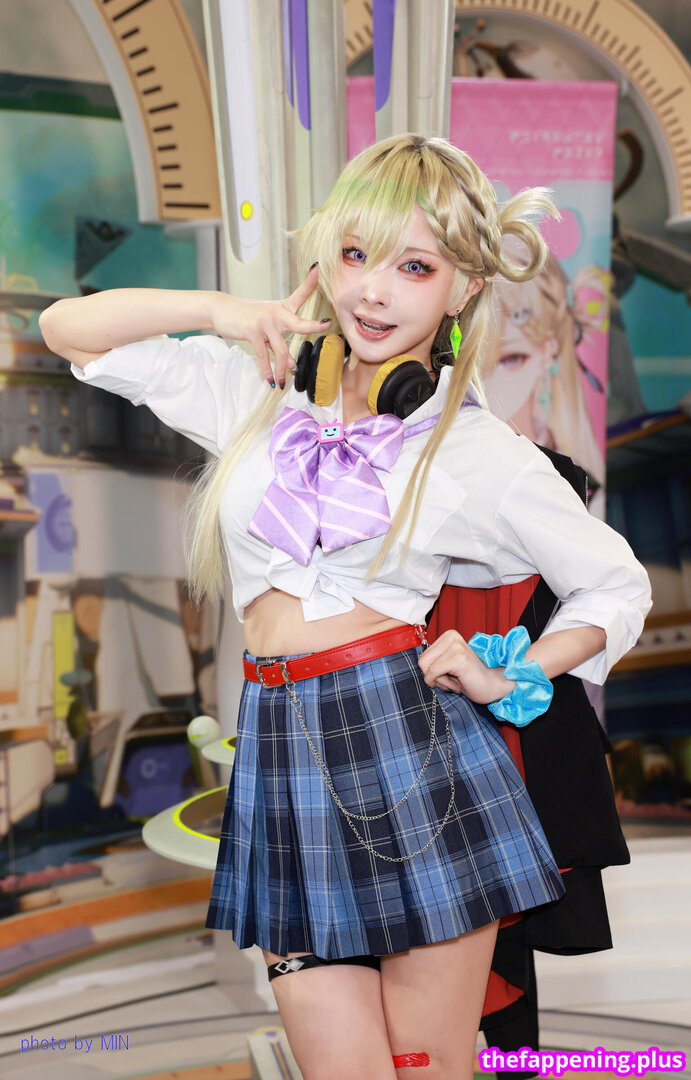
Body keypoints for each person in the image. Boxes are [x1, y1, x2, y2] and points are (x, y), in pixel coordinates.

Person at [40, 134, 650, 1080]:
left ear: (463, 288)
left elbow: (615, 584)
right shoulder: (251, 390)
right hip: (280, 741)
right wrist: (220, 310)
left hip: (414, 747)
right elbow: (68, 329)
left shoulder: (474, 450)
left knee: (425, 1066)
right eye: (356, 253)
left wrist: (512, 672)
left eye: (415, 267)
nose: (372, 291)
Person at [481, 252, 609, 512]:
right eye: (475, 363)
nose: (489, 382)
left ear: (548, 350)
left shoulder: (575, 483)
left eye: (511, 360)